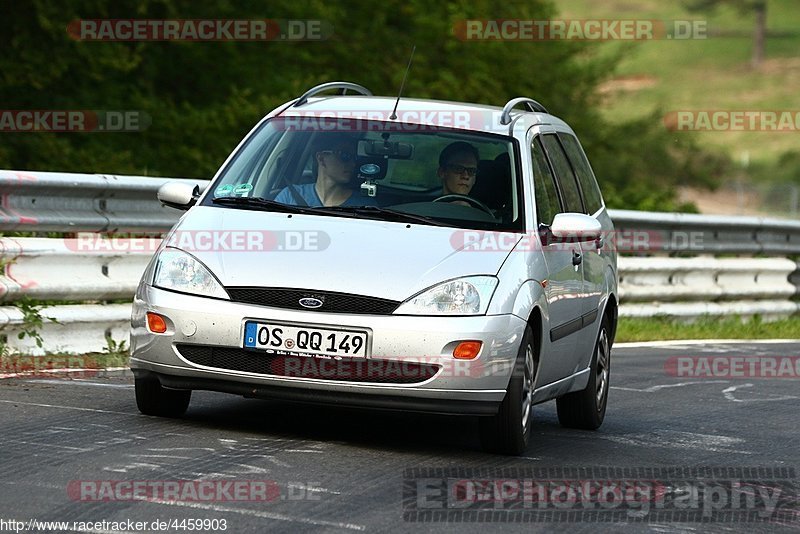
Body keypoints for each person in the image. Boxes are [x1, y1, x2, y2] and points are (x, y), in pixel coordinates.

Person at [274, 134, 376, 207]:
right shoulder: (289, 196)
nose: (352, 164)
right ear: (321, 159)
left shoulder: (365, 207)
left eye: (354, 158)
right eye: (345, 155)